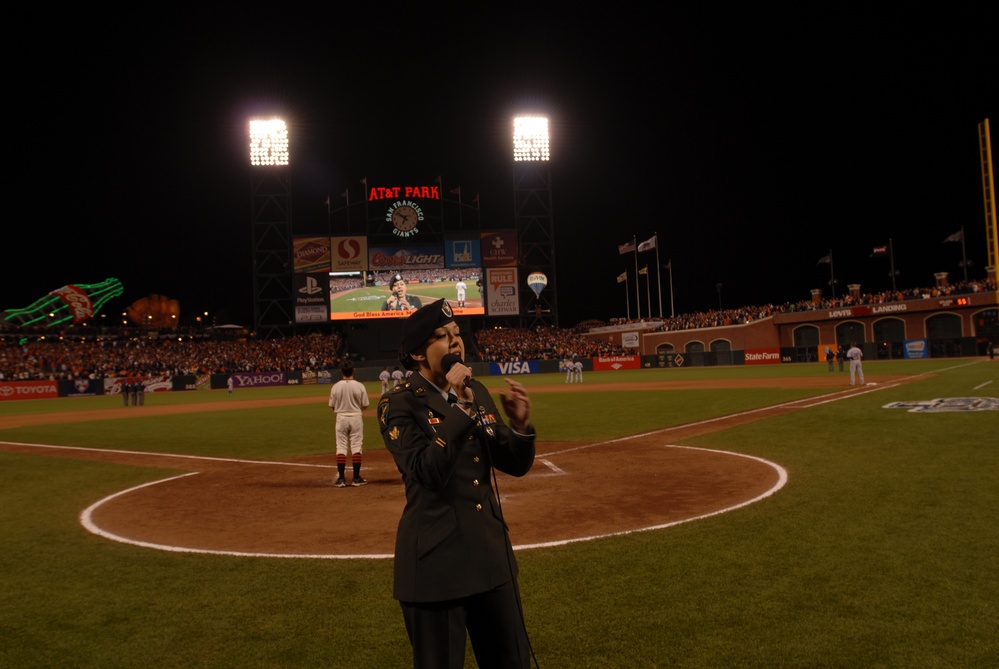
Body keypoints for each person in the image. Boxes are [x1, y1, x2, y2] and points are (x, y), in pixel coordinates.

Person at [377, 299, 537, 668]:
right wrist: (461, 410)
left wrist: (520, 427)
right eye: (442, 337)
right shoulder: (398, 405)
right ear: (418, 352)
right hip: (437, 569)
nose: (455, 343)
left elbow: (513, 464)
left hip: (491, 560)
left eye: (457, 334)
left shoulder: (476, 391)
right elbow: (427, 472)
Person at [329, 359, 370, 487]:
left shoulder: (335, 386)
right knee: (356, 446)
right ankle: (356, 478)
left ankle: (341, 479)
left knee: (341, 446)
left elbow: (332, 406)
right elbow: (366, 405)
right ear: (354, 370)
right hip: (356, 418)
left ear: (341, 371)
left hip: (341, 418)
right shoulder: (360, 386)